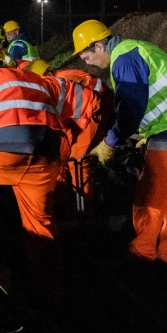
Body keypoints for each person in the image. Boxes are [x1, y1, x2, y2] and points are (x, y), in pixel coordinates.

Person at [73, 19, 167, 268]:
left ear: (99, 46)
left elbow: (130, 109)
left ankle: (143, 251)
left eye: (87, 57)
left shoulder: (124, 59)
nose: (89, 64)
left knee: (151, 192)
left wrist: (109, 142)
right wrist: (147, 134)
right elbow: (149, 98)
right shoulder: (133, 49)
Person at [0, 53, 67, 297]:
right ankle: (49, 287)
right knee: (40, 221)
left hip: (2, 151)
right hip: (46, 155)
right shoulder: (30, 76)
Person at [25, 59, 115, 217]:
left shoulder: (65, 79)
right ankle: (65, 203)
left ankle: (86, 209)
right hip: (78, 115)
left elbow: (100, 97)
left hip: (94, 111)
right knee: (62, 157)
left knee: (78, 160)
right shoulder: (58, 82)